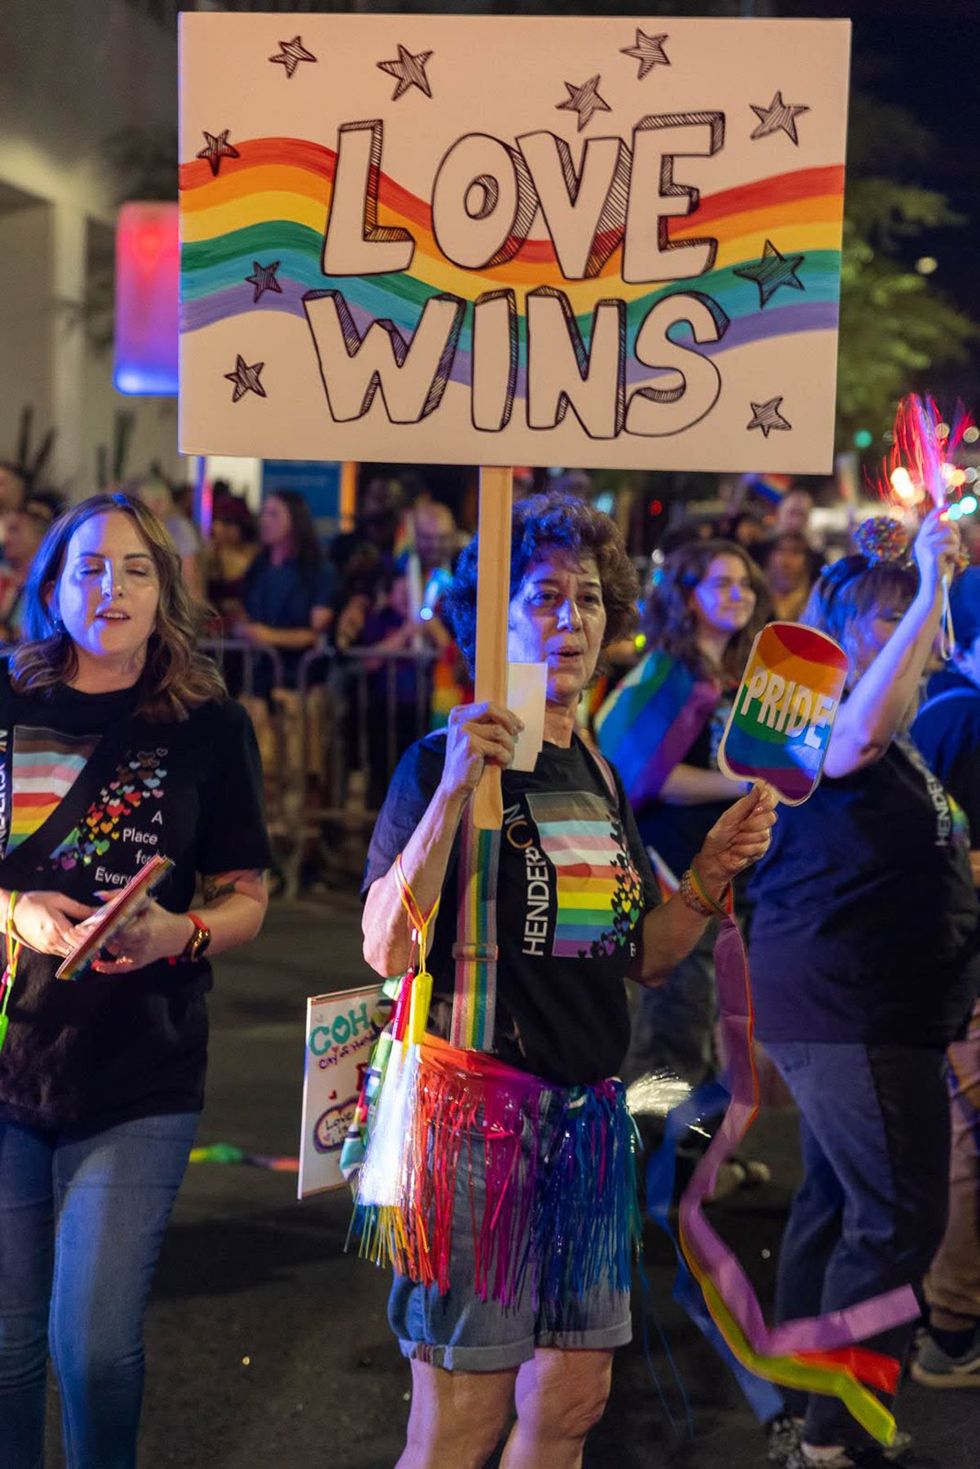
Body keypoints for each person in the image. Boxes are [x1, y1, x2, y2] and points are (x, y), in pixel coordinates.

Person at [360, 492, 776, 1469]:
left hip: (586, 1128)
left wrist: (711, 873)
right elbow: (383, 945)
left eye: (588, 597)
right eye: (543, 595)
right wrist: (459, 787)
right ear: (489, 620)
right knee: (460, 1422)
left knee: (573, 1402)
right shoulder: (437, 762)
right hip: (472, 1130)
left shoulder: (590, 765)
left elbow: (644, 954)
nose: (572, 617)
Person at [0, 492, 270, 1469]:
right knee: (5, 1350)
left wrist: (180, 932)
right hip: (10, 1059)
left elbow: (249, 892)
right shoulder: (8, 697)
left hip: (139, 1068)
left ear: (165, 589)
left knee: (93, 1347)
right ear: (53, 585)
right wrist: (14, 910)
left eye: (134, 568)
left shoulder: (206, 723)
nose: (109, 587)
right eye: (88, 567)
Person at [747, 512, 977, 1469]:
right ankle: (835, 1433)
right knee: (899, 1218)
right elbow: (853, 742)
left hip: (876, 1004)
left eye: (917, 616)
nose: (916, 631)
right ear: (846, 635)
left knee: (843, 1207)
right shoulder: (818, 711)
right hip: (854, 1004)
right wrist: (929, 584)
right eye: (889, 619)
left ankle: (803, 1410)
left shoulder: (904, 727)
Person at [597, 540, 771, 1105]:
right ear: (689, 597)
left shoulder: (742, 672)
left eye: (744, 583)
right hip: (677, 866)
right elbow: (643, 772)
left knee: (719, 1025)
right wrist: (744, 784)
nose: (738, 594)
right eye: (721, 583)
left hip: (737, 870)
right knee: (677, 1020)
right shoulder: (669, 672)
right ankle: (652, 1170)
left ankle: (701, 1161)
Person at [909, 567, 980, 1388]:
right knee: (970, 1141)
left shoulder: (935, 712)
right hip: (962, 963)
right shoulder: (963, 722)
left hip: (939, 963)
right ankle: (953, 1325)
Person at [0, 500, 54, 643]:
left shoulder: (51, 583)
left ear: (39, 535)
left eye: (14, 530)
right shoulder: (7, 581)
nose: (6, 540)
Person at [764, 531, 817, 624]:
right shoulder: (756, 599)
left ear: (806, 561)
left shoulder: (813, 605)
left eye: (795, 552)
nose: (786, 559)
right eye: (781, 550)